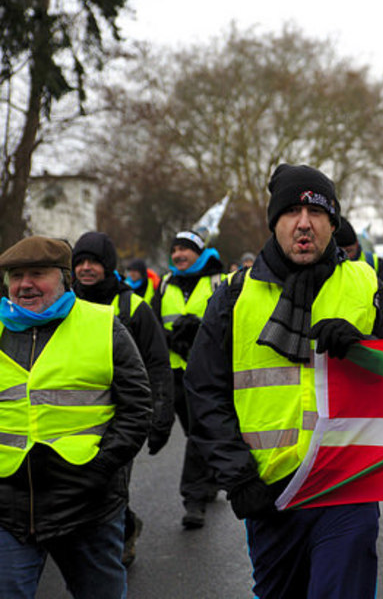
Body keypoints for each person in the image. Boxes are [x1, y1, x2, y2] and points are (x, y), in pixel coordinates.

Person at [184, 164, 383, 598]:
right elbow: (204, 391)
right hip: (270, 493)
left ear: (333, 223)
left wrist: (366, 348)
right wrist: (238, 477)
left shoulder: (368, 285)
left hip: (347, 485)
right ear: (274, 222)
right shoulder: (233, 296)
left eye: (316, 212)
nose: (304, 223)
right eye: (291, 211)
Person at [0, 236, 151, 598]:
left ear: (64, 278)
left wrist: (101, 468)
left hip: (87, 507)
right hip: (9, 510)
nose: (25, 284)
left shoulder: (104, 325)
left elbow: (136, 407)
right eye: (16, 276)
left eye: (37, 274)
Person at [72, 231, 174, 566]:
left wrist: (161, 417)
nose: (86, 268)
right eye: (80, 262)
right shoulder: (63, 304)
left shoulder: (133, 307)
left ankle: (117, 543)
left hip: (122, 419)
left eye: (94, 262)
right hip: (74, 416)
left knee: (110, 487)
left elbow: (158, 363)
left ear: (108, 265)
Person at [151, 228, 225, 529]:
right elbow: (154, 323)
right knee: (195, 431)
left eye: (184, 249)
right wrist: (171, 338)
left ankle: (193, 500)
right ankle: (209, 480)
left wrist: (198, 332)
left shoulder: (219, 281)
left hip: (207, 373)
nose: (178, 255)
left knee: (199, 432)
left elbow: (229, 323)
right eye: (174, 250)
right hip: (173, 373)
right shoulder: (166, 283)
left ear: (199, 252)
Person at [333, 216, 383, 294]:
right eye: (340, 252)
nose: (346, 256)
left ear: (357, 244)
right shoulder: (329, 267)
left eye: (349, 251)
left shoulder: (374, 263)